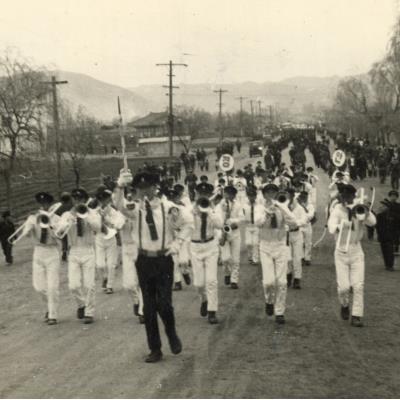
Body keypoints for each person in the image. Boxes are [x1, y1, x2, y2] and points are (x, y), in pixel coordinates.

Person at [117, 169, 193, 363]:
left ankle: (172, 333)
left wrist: (177, 244)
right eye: (140, 188)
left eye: (147, 187)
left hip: (163, 259)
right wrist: (120, 186)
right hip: (144, 260)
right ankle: (155, 349)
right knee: (149, 307)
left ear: (155, 187)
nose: (144, 192)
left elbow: (187, 224)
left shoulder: (168, 208)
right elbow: (120, 207)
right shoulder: (136, 208)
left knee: (164, 304)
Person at [327, 184, 376, 327]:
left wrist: (365, 212)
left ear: (353, 197)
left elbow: (373, 223)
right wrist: (342, 225)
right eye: (344, 196)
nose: (346, 199)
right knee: (343, 287)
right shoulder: (336, 210)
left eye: (349, 196)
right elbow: (331, 228)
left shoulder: (358, 207)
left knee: (358, 285)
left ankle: (356, 315)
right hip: (341, 250)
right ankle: (344, 304)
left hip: (356, 250)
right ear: (341, 197)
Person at [13, 192, 61, 325]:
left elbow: (59, 235)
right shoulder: (33, 218)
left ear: (49, 204)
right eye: (41, 204)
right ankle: (49, 307)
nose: (43, 206)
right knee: (39, 287)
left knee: (52, 287)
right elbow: (26, 233)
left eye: (46, 203)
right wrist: (28, 228)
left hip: (52, 252)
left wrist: (50, 224)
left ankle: (53, 314)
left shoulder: (56, 218)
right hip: (38, 252)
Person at [56, 188, 102, 324]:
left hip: (88, 250)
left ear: (84, 199)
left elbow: (98, 228)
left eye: (80, 199)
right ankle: (82, 304)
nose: (78, 202)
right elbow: (59, 231)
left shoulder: (93, 213)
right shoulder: (66, 214)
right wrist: (70, 218)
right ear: (72, 200)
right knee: (73, 285)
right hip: (74, 251)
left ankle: (89, 312)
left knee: (89, 284)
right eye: (75, 199)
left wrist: (86, 216)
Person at [254, 184, 298, 324]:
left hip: (280, 245)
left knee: (282, 282)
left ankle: (280, 312)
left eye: (274, 192)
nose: (271, 195)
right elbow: (257, 223)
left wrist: (282, 208)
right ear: (264, 194)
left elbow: (294, 222)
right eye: (268, 192)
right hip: (265, 246)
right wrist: (267, 213)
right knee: (268, 282)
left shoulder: (282, 206)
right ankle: (269, 301)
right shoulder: (259, 207)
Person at [190, 182, 223, 324]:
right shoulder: (189, 209)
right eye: (200, 194)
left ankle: (212, 311)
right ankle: (204, 299)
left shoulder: (214, 209)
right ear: (196, 194)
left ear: (209, 195)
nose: (203, 196)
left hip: (210, 246)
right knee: (198, 283)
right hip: (195, 247)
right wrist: (195, 209)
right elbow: (184, 222)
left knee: (211, 281)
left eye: (206, 194)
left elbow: (220, 224)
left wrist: (210, 209)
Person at [113, 184, 144, 323]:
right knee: (129, 284)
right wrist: (126, 217)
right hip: (126, 248)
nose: (131, 196)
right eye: (129, 194)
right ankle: (136, 301)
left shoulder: (142, 210)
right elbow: (116, 226)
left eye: (134, 193)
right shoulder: (121, 213)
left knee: (142, 281)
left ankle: (143, 311)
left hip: (140, 247)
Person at [94, 187, 125, 294]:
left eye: (106, 200)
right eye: (102, 200)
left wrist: (106, 219)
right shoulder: (94, 211)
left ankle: (109, 285)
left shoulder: (113, 211)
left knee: (111, 264)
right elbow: (93, 226)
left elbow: (117, 225)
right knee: (100, 264)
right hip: (99, 238)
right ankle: (105, 277)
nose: (104, 202)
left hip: (111, 238)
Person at [216, 185, 243, 289]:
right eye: (227, 194)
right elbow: (217, 218)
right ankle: (227, 273)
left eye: (232, 194)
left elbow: (241, 218)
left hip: (235, 232)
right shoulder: (219, 205)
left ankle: (234, 280)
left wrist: (232, 221)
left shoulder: (238, 205)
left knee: (236, 259)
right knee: (225, 258)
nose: (229, 196)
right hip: (223, 232)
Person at [376, 190, 400, 271]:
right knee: (384, 249)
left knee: (390, 249)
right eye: (392, 195)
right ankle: (387, 264)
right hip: (383, 231)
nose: (393, 197)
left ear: (397, 197)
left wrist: (393, 216)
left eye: (395, 196)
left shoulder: (398, 206)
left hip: (393, 231)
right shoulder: (383, 206)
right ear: (389, 196)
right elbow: (378, 219)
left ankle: (390, 265)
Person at [242, 186, 260, 265]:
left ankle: (255, 259)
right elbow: (242, 214)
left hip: (256, 225)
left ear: (256, 196)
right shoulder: (245, 206)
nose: (251, 197)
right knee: (248, 243)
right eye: (250, 196)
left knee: (255, 243)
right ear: (248, 197)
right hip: (248, 225)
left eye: (253, 196)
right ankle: (250, 257)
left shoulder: (258, 205)